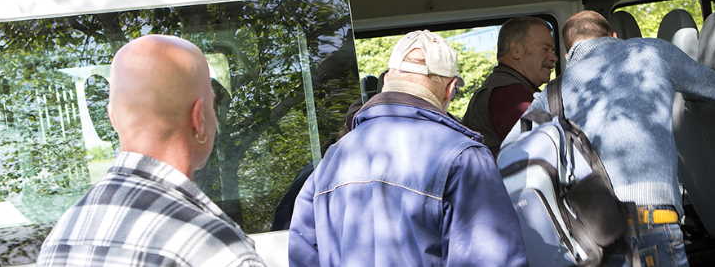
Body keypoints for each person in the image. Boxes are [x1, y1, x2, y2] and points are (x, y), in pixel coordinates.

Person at [510, 11, 715, 266]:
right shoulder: (653, 52)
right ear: (614, 36)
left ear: (568, 54)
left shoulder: (552, 93)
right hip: (652, 216)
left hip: (596, 229)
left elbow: (513, 151)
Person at [289, 30, 526, 266]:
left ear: (388, 79)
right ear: (450, 88)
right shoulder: (463, 156)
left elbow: (304, 253)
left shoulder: (333, 158)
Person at [38, 35, 265, 266]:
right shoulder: (213, 248)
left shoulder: (65, 233)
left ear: (113, 118)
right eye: (212, 105)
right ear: (199, 120)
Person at [462, 16, 557, 153]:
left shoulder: (504, 87)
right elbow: (542, 151)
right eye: (545, 49)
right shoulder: (510, 96)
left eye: (553, 50)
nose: (554, 58)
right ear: (516, 51)